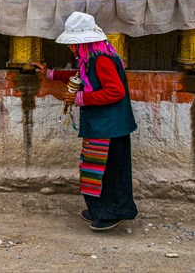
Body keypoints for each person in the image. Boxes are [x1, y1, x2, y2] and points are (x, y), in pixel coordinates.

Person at [32, 12, 138, 231]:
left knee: (108, 172)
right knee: (96, 169)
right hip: (102, 125)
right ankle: (99, 209)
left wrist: (80, 98)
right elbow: (81, 75)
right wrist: (51, 74)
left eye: (75, 44)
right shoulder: (93, 58)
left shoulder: (102, 60)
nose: (72, 48)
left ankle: (111, 213)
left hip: (110, 127)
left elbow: (115, 91)